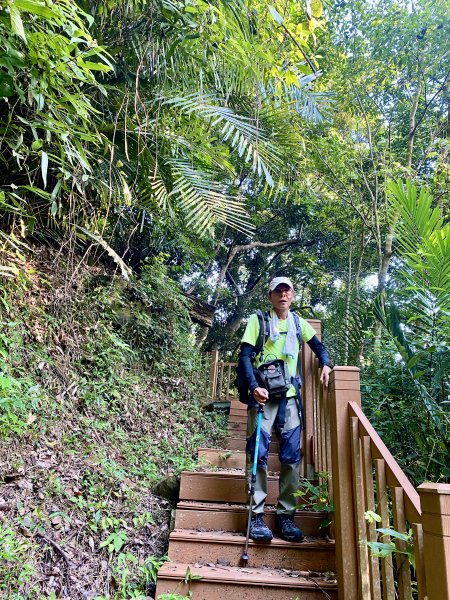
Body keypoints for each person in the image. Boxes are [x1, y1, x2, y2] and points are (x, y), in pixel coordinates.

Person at [238, 276, 332, 542]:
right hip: (263, 397)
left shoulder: (298, 323)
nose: (283, 295)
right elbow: (245, 355)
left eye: (287, 290)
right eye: (278, 291)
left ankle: (285, 517)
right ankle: (256, 516)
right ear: (270, 296)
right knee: (258, 453)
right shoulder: (258, 321)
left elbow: (318, 347)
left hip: (290, 398)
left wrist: (325, 364)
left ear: (292, 295)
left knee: (292, 457)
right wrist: (254, 386)